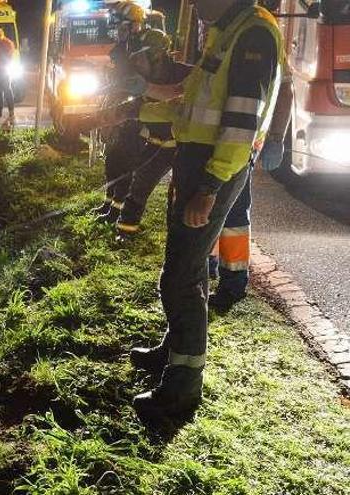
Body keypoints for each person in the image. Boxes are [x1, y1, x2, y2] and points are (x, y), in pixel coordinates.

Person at [94, 0, 285, 420]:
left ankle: (182, 388)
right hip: (197, 161)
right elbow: (193, 101)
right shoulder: (225, 30)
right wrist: (136, 109)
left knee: (179, 276)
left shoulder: (251, 34)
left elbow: (240, 122)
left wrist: (210, 186)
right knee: (187, 268)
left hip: (212, 169)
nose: (194, 4)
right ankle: (173, 350)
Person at [208, 0, 295, 312]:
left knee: (231, 216)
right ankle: (212, 270)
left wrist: (275, 139)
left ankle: (232, 282)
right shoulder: (235, 27)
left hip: (238, 145)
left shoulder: (256, 30)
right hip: (230, 143)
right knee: (220, 214)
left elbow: (285, 90)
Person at [112, 30, 193, 241]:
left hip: (185, 146)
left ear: (157, 55)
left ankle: (178, 239)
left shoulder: (186, 74)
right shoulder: (141, 77)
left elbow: (177, 96)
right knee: (139, 187)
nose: (138, 62)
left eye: (141, 56)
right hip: (157, 144)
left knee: (180, 195)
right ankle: (125, 232)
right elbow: (136, 105)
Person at [89, 1, 149, 224]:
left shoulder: (144, 50)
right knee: (112, 162)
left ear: (135, 25)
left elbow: (139, 83)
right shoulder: (124, 47)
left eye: (122, 25)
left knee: (124, 165)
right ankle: (108, 205)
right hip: (119, 113)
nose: (118, 30)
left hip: (134, 118)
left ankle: (118, 211)